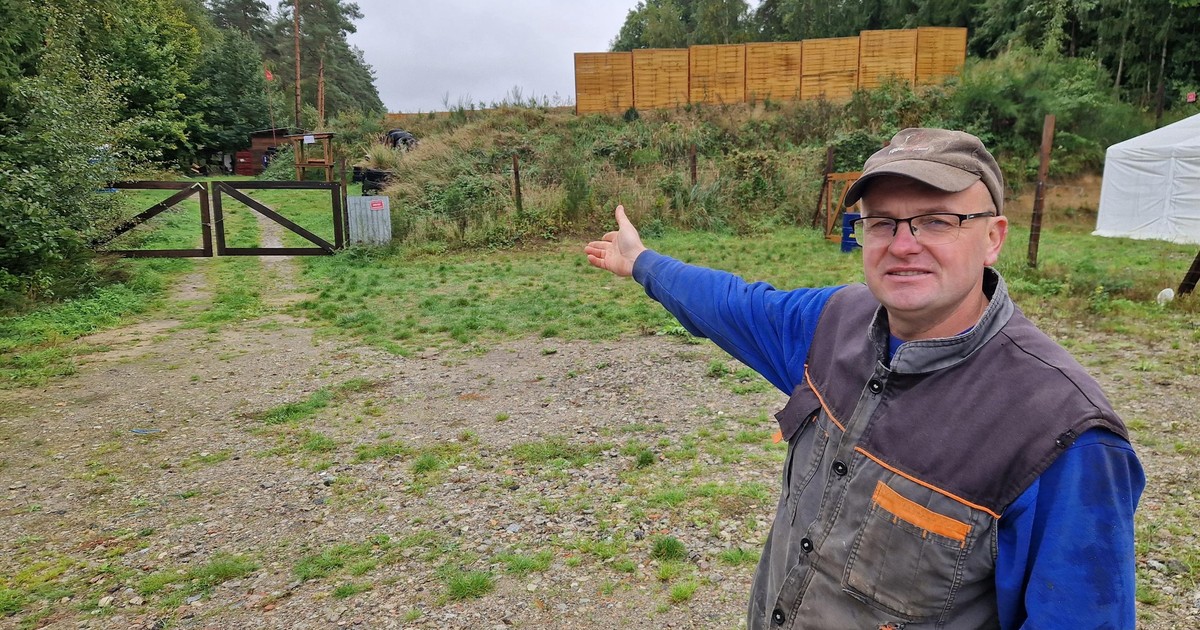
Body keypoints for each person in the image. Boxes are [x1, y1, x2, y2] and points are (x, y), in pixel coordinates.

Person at [584, 128, 1144, 629]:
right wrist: (643, 263)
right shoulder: (832, 323)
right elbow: (732, 305)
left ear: (993, 237)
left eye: (937, 221)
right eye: (882, 222)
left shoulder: (1064, 434)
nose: (903, 243)